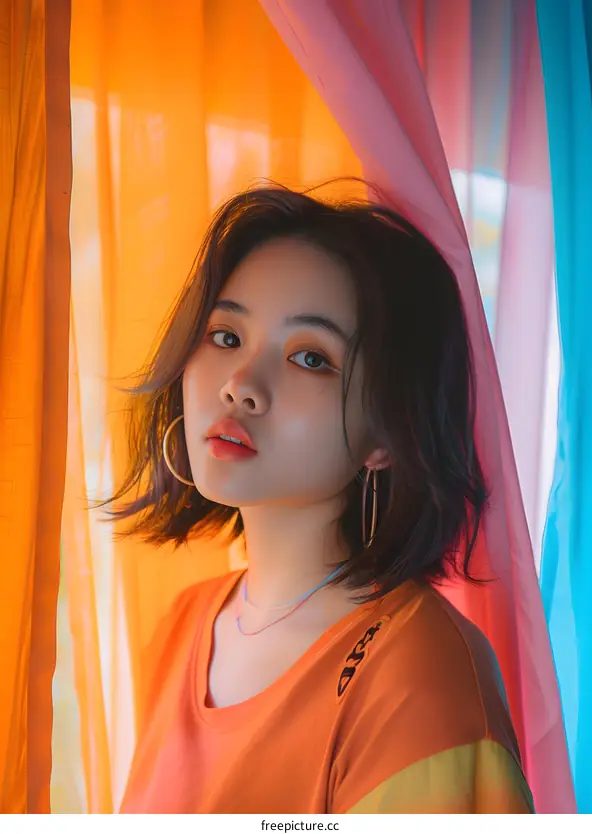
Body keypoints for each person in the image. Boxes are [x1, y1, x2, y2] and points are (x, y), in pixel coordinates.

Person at [107, 183, 535, 814]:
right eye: (225, 336)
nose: (241, 385)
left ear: (386, 435)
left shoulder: (417, 670)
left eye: (310, 357)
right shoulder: (182, 628)